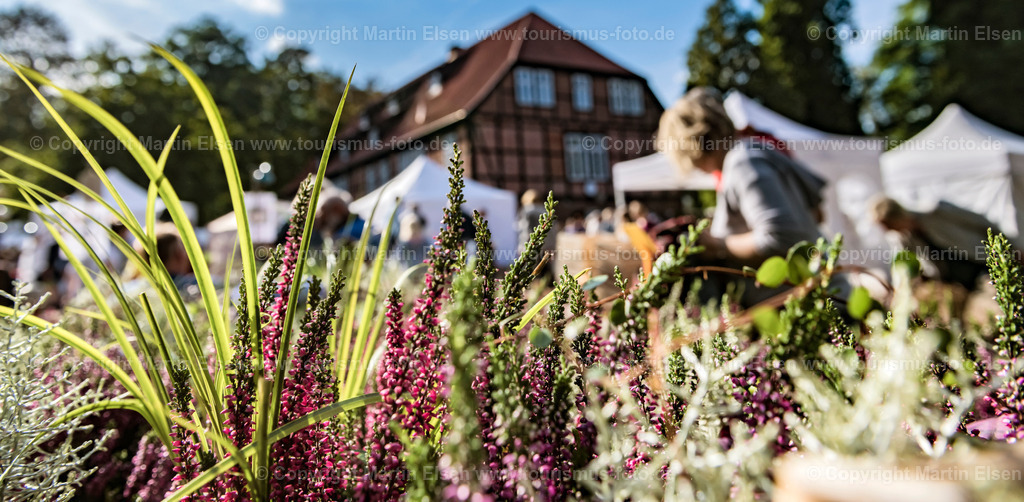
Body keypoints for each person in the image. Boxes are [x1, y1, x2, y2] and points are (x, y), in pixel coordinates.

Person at [657, 87, 829, 305]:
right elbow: (816, 214)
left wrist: (718, 246)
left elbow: (782, 237)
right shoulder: (752, 152)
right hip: (815, 298)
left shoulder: (743, 163)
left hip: (808, 307)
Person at [870, 196, 991, 290]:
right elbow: (904, 269)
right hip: (957, 282)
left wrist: (1004, 244)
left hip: (980, 262)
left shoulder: (935, 211)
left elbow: (979, 222)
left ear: (895, 216)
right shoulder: (903, 239)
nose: (886, 230)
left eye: (887, 224)